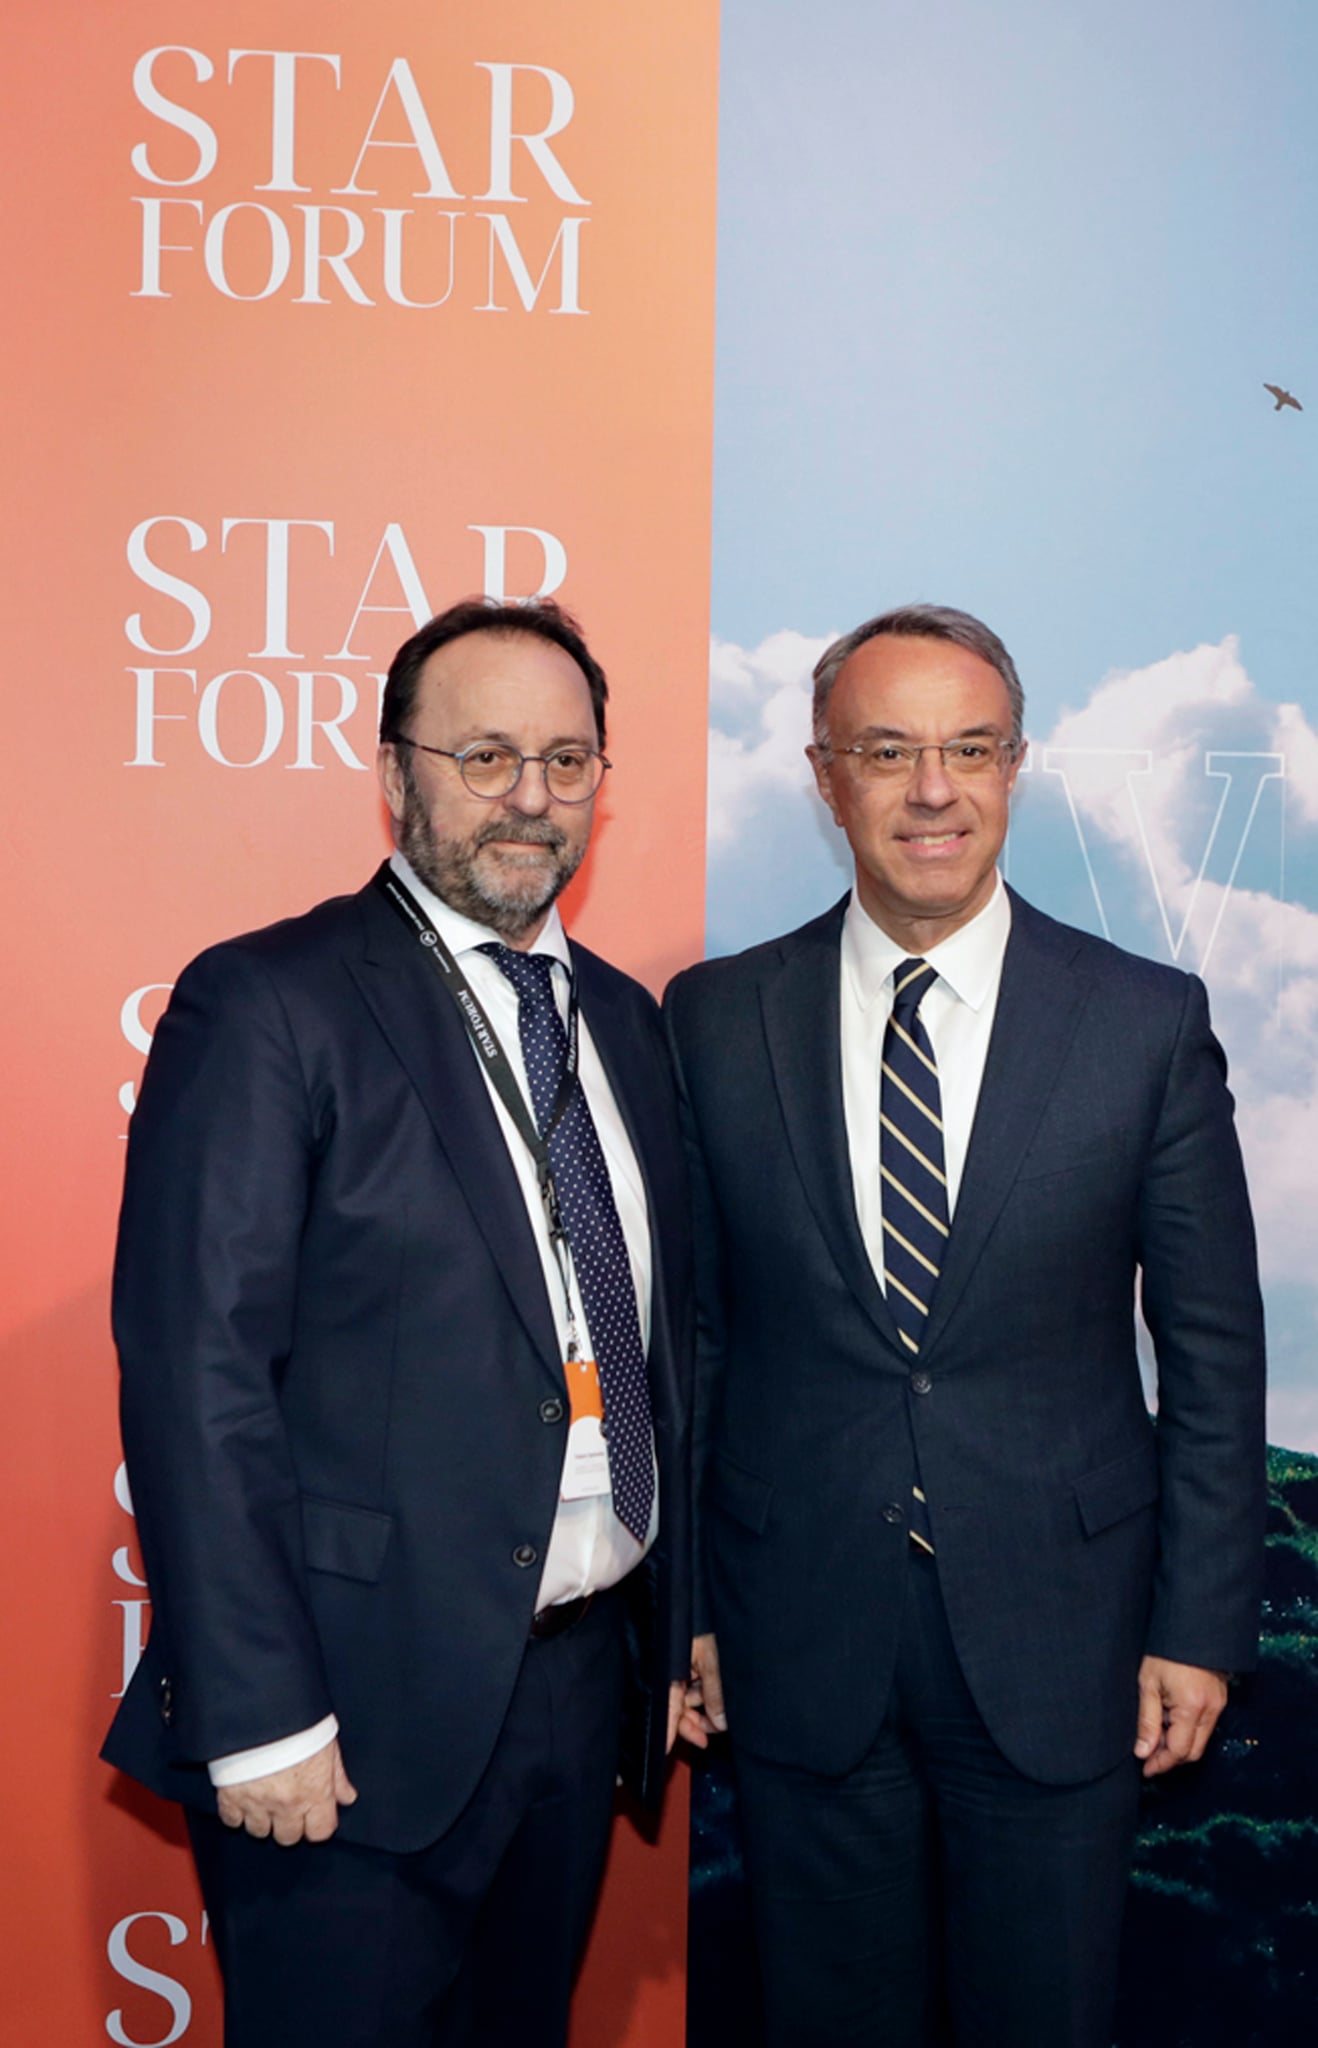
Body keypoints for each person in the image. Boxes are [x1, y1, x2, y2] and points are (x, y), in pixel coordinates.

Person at [665, 603, 1266, 2047]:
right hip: (794, 1635)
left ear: (1015, 765)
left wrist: (1197, 1626)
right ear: (824, 777)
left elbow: (1212, 1354)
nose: (932, 789)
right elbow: (688, 1342)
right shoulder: (712, 1020)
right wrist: (681, 1606)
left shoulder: (1142, 1021)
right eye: (887, 751)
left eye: (969, 749)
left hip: (1069, 1644)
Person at [103, 597, 694, 2048]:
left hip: (577, 1689)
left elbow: (671, 1349)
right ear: (392, 774)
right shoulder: (268, 1004)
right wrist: (260, 1712)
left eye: (567, 760)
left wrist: (675, 1628)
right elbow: (198, 1376)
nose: (531, 796)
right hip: (345, 1712)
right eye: (485, 756)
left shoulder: (626, 1023)